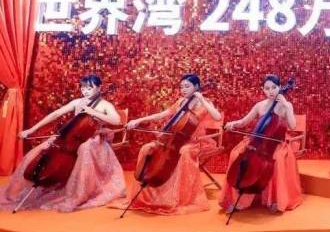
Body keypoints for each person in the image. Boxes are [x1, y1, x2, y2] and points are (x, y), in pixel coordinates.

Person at [0, 75, 125, 212]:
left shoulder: (105, 105)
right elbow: (56, 114)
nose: (85, 91)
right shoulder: (78, 102)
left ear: (99, 88)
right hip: (73, 138)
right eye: (83, 88)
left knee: (85, 148)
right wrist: (32, 130)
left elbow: (116, 120)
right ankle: (32, 183)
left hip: (94, 140)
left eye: (89, 88)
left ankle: (80, 192)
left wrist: (93, 112)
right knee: (45, 147)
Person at [114, 74, 222, 215]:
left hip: (196, 141)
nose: (183, 89)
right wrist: (139, 120)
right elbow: (162, 114)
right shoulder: (181, 102)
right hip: (174, 140)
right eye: (181, 86)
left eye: (187, 86)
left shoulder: (205, 102)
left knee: (184, 152)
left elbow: (217, 117)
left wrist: (201, 98)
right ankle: (148, 196)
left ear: (196, 86)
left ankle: (181, 197)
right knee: (147, 148)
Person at [220, 74, 302, 213]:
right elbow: (244, 122)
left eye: (274, 87)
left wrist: (286, 106)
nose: (271, 91)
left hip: (277, 143)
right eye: (267, 88)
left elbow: (293, 126)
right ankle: (239, 198)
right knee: (236, 154)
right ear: (262, 89)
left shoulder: (286, 105)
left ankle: (275, 199)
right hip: (258, 141)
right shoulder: (260, 105)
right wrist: (232, 124)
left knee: (277, 159)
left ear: (280, 87)